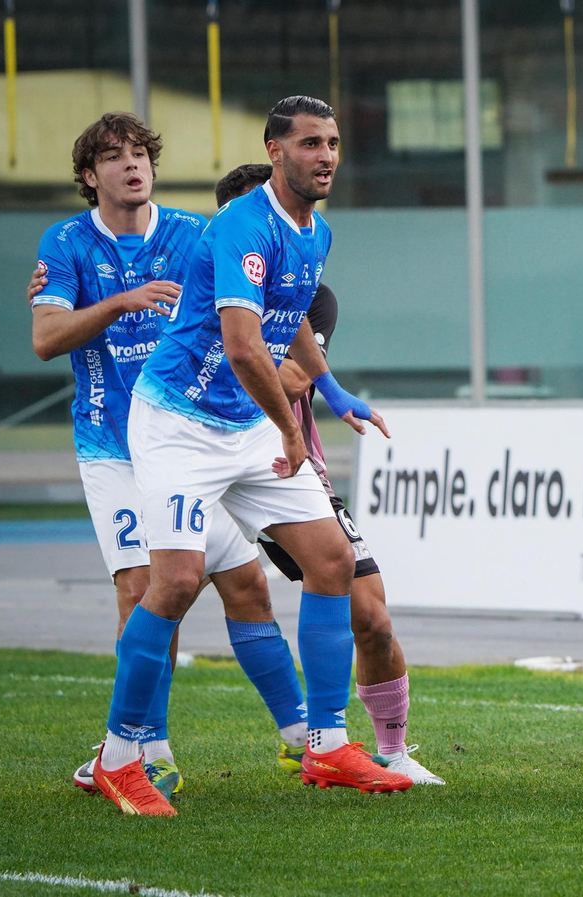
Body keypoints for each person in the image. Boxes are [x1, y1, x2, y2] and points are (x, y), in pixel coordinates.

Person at [90, 96, 409, 817]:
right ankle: (118, 756)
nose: (325, 155)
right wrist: (291, 432)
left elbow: (286, 317)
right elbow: (240, 343)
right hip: (176, 422)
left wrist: (331, 389)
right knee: (173, 581)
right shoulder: (240, 223)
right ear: (274, 150)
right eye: (308, 143)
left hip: (245, 425)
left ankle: (326, 742)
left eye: (332, 143)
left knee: (330, 560)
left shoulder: (315, 232)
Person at [29, 113, 307, 803]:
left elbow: (264, 299)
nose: (132, 166)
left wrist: (312, 374)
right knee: (145, 588)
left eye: (140, 154)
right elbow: (45, 337)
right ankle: (144, 748)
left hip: (194, 445)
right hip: (113, 447)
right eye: (114, 157)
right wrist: (124, 301)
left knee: (248, 586)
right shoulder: (64, 243)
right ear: (89, 175)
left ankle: (305, 737)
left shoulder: (193, 233)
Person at [213, 164, 443, 786]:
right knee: (176, 590)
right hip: (211, 463)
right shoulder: (209, 282)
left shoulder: (313, 296)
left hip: (290, 467)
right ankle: (134, 748)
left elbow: (292, 378)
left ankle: (387, 750)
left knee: (371, 614)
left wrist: (335, 395)